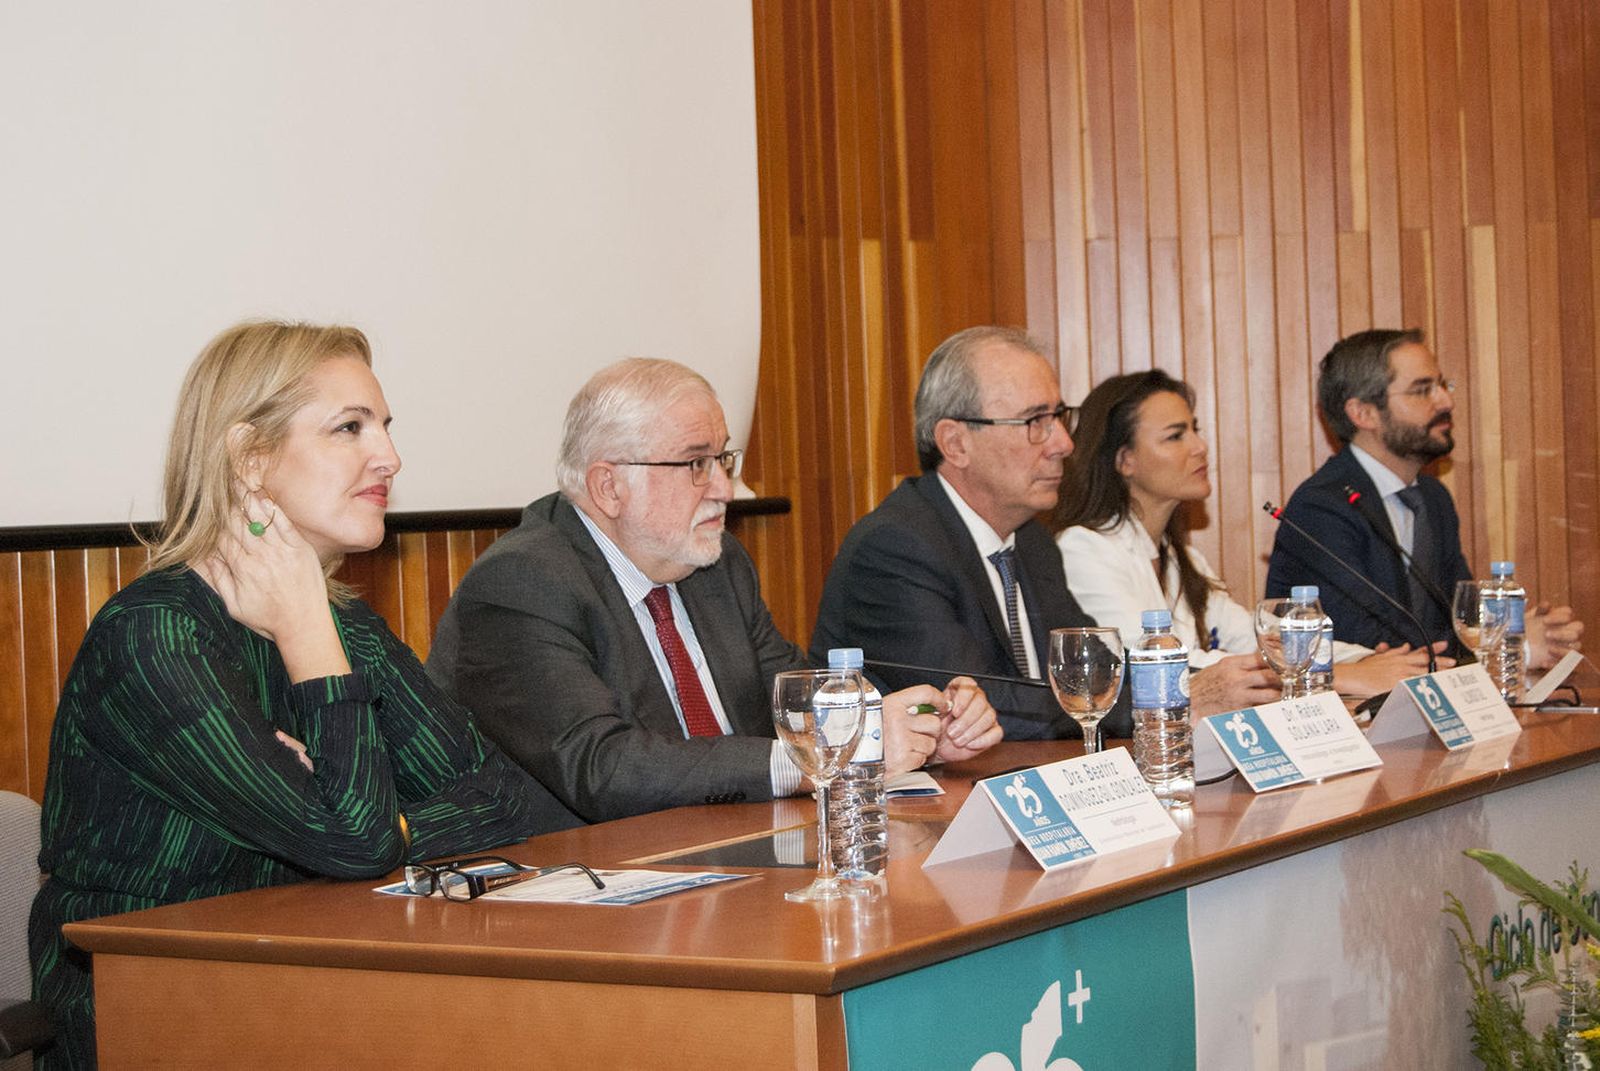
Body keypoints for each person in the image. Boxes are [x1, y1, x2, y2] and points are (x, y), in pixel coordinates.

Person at [30, 322, 565, 1069]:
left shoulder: (350, 625)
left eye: (383, 426)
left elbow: (507, 798)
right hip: (151, 1002)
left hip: (306, 969)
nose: (389, 456)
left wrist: (385, 823)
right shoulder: (152, 637)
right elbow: (355, 841)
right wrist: (311, 637)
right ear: (250, 459)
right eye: (350, 427)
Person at [426, 358, 1001, 825]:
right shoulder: (523, 584)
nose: (725, 488)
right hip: (570, 893)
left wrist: (912, 728)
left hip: (721, 856)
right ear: (609, 486)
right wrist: (833, 758)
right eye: (695, 464)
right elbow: (603, 768)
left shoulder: (715, 564)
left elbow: (796, 698)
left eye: (723, 458)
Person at [811, 327, 1279, 739]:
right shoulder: (896, 549)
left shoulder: (1031, 541)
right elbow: (982, 705)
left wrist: (1187, 691)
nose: (1064, 443)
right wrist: (1172, 699)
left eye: (1059, 416)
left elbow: (1094, 673)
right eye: (1036, 422)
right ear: (956, 443)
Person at [1051, 369, 1444, 701]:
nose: (1200, 447)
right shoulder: (1085, 550)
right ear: (1125, 460)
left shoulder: (1180, 556)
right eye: (1176, 436)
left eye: (1195, 430)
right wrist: (1337, 676)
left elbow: (1258, 641)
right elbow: (1162, 669)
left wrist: (1372, 662)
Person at [1265, 329, 1582, 664]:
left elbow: (1459, 619)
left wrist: (1518, 630)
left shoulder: (1432, 498)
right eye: (1422, 390)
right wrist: (1507, 644)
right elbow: (1375, 645)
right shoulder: (1321, 509)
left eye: (1442, 385)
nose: (1446, 401)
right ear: (1364, 413)